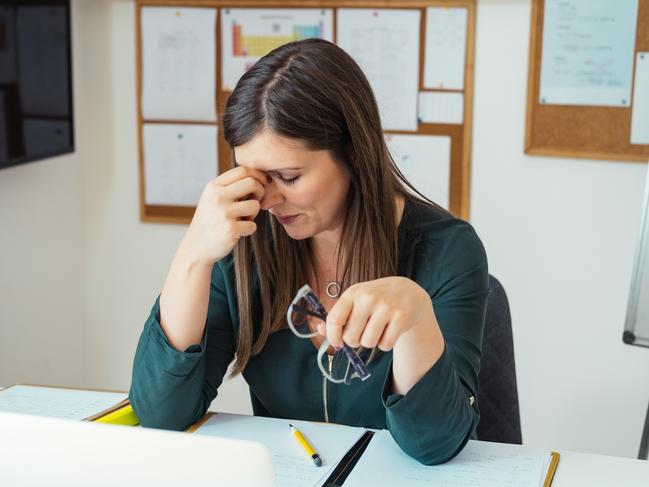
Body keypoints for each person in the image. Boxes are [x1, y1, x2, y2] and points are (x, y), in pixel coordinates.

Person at [129, 38, 489, 466]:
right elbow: (160, 413)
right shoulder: (244, 242)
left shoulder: (446, 250)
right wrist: (193, 255)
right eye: (255, 177)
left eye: (288, 176)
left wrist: (416, 315)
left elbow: (435, 445)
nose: (267, 200)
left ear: (353, 154)